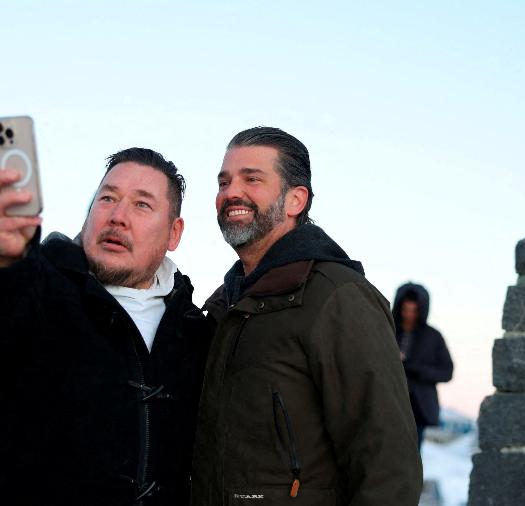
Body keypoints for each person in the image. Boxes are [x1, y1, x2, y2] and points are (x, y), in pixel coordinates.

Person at [0, 148, 211, 505]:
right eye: (107, 198)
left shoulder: (195, 331)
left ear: (173, 233)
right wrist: (0, 255)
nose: (117, 216)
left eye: (142, 205)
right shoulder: (39, 289)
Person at [191, 127, 422, 505]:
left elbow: (387, 461)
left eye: (252, 179)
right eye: (224, 181)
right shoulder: (222, 306)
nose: (232, 192)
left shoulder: (337, 296)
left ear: (296, 200)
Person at [393, 282, 454, 450]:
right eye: (406, 310)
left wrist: (417, 369)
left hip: (418, 409)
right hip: (388, 402)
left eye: (413, 311)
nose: (409, 315)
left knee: (411, 454)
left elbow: (447, 372)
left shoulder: (433, 337)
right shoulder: (387, 329)